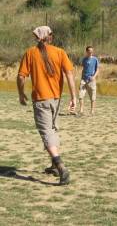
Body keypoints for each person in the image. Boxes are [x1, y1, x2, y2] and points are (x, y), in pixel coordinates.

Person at [17, 26, 76, 185]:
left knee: (46, 133)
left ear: (37, 37)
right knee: (53, 130)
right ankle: (54, 166)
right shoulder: (60, 52)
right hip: (56, 100)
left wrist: (21, 93)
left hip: (41, 100)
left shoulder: (30, 53)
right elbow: (69, 74)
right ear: (50, 37)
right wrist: (73, 97)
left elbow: (21, 77)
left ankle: (61, 166)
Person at [78, 46, 100, 115]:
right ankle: (81, 110)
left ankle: (92, 111)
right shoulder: (84, 59)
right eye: (89, 51)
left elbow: (97, 70)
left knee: (93, 97)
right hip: (84, 80)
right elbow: (83, 70)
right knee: (80, 95)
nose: (91, 52)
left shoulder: (95, 59)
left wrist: (94, 77)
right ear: (86, 51)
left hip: (91, 81)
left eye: (92, 51)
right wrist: (81, 79)